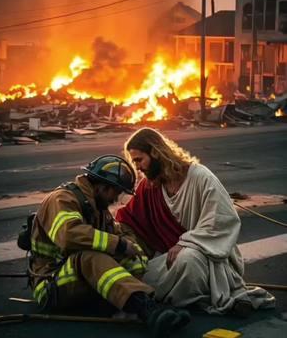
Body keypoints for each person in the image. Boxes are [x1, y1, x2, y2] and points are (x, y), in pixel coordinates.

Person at [116, 128, 275, 316]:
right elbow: (131, 221)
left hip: (207, 253)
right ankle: (194, 294)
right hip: (169, 256)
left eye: (139, 160)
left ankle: (199, 296)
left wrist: (187, 242)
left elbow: (222, 220)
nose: (138, 168)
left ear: (155, 152)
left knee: (188, 260)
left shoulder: (200, 176)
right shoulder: (149, 185)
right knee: (139, 275)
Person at [29, 154, 190, 337]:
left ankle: (135, 305)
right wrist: (119, 244)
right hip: (51, 284)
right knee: (91, 257)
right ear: (103, 186)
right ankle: (148, 311)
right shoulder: (62, 199)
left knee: (133, 260)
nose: (116, 198)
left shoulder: (98, 209)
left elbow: (118, 232)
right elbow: (69, 235)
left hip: (75, 280)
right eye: (117, 192)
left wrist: (131, 245)